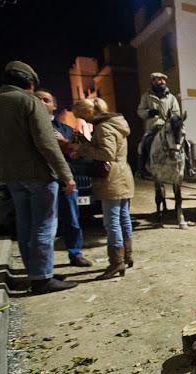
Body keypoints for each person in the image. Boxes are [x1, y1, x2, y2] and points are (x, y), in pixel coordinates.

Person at [0, 61, 77, 294]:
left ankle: (36, 272)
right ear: (30, 84)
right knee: (43, 225)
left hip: (11, 175)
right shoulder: (29, 102)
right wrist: (66, 175)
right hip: (38, 174)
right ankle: (42, 278)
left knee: (24, 225)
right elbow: (47, 144)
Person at [65, 98, 134, 280]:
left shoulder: (103, 127)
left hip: (111, 177)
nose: (84, 121)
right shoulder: (116, 123)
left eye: (82, 117)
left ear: (89, 112)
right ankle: (127, 256)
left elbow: (107, 153)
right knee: (123, 217)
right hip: (123, 174)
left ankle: (116, 262)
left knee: (111, 222)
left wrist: (82, 149)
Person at [35, 89, 92, 267]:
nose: (43, 103)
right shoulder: (31, 128)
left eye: (46, 100)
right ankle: (43, 263)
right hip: (41, 181)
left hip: (66, 181)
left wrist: (66, 144)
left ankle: (75, 254)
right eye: (38, 100)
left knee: (72, 220)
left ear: (54, 106)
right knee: (43, 224)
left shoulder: (67, 129)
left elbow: (85, 150)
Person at [136, 72, 180, 178]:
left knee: (183, 142)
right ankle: (141, 169)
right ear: (153, 81)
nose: (162, 82)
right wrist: (149, 113)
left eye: (163, 79)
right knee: (143, 144)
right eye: (159, 79)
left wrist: (172, 116)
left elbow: (177, 112)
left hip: (168, 126)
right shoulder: (146, 96)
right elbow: (140, 111)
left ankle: (188, 167)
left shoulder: (171, 98)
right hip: (153, 125)